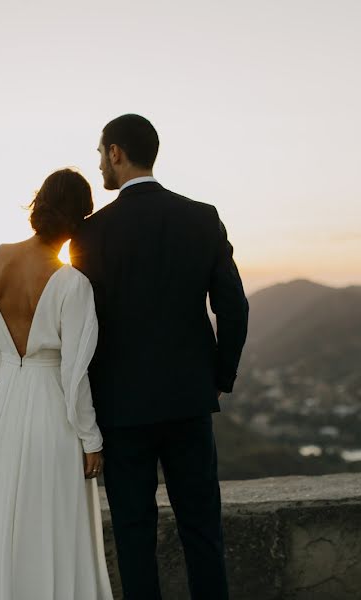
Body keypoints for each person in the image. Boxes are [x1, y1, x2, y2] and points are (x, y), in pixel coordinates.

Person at [70, 114, 249, 599]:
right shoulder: (201, 216)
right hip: (189, 399)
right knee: (202, 528)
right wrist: (219, 377)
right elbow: (233, 307)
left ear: (115, 153)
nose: (100, 163)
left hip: (122, 408)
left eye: (99, 151)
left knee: (133, 532)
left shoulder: (88, 236)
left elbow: (82, 331)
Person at [0, 168, 114, 599]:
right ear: (79, 220)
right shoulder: (73, 283)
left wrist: (16, 375)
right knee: (50, 524)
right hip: (53, 412)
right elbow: (74, 373)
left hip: (7, 404)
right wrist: (91, 439)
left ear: (38, 207)